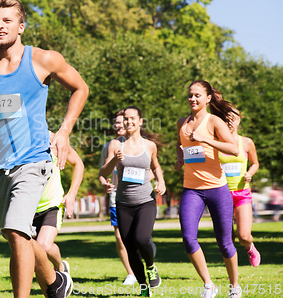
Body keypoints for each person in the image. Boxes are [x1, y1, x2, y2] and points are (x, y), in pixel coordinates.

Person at [0, 0, 89, 298]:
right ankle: (55, 283)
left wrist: (65, 130)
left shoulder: (43, 60)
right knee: (19, 238)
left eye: (6, 20)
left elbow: (81, 88)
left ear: (21, 26)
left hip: (33, 160)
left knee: (17, 231)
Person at [174, 80, 241, 298]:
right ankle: (208, 284)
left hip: (217, 188)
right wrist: (179, 159)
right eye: (190, 95)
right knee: (188, 238)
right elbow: (180, 143)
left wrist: (207, 140)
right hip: (191, 189)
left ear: (208, 98)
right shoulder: (181, 123)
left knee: (224, 243)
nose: (192, 99)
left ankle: (234, 286)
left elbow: (232, 148)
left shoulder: (214, 122)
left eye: (197, 95)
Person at [100, 106, 166, 297]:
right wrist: (114, 161)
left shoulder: (149, 146)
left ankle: (151, 266)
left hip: (146, 201)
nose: (129, 122)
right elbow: (103, 173)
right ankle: (143, 286)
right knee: (130, 247)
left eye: (132, 118)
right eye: (126, 119)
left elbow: (156, 165)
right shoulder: (115, 145)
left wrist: (161, 182)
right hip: (123, 203)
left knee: (142, 238)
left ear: (140, 121)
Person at [33, 132, 84, 278]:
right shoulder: (18, 137)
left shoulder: (54, 140)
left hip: (52, 204)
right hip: (28, 206)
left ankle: (59, 266)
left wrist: (72, 193)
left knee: (44, 245)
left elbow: (78, 163)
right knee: (32, 248)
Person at [98, 110, 137, 285]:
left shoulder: (139, 145)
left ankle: (147, 262)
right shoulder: (109, 146)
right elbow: (102, 172)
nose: (119, 125)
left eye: (122, 122)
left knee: (139, 237)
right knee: (120, 236)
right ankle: (131, 273)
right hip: (116, 196)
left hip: (137, 195)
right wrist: (104, 183)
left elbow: (152, 171)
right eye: (116, 123)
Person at [219, 112, 260, 266]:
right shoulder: (216, 144)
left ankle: (250, 247)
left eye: (232, 119)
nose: (229, 122)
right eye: (225, 119)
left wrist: (249, 173)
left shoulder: (247, 142)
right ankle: (232, 270)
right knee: (227, 239)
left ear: (238, 121)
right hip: (221, 194)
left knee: (243, 236)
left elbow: (255, 163)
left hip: (242, 193)